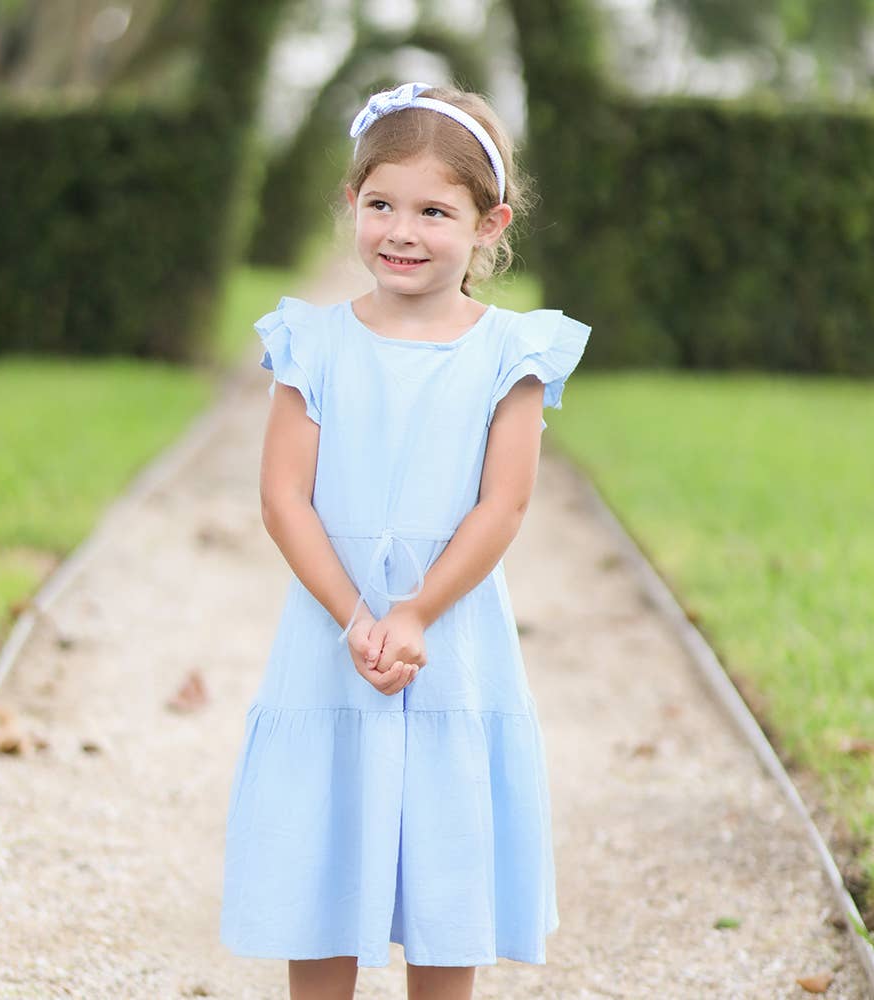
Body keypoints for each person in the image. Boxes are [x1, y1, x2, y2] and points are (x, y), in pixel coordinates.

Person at [220, 81, 592, 1000]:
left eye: (435, 211)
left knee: (444, 849)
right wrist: (356, 615)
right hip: (330, 630)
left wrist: (418, 610)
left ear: (488, 225)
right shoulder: (311, 342)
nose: (402, 230)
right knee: (325, 849)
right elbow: (283, 499)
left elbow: (502, 505)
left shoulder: (512, 353)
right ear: (352, 204)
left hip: (449, 635)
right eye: (381, 203)